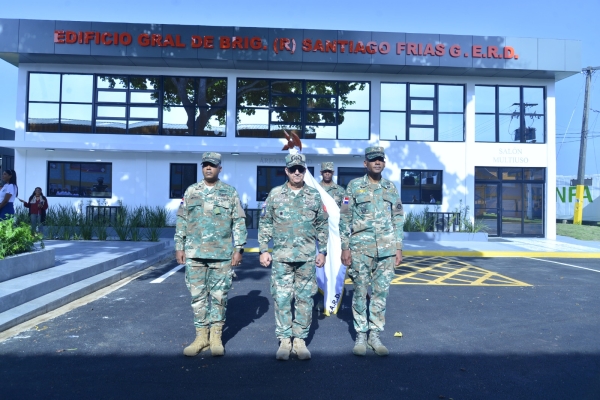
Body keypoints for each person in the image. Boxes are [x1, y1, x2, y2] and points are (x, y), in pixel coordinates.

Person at [175, 152, 247, 358]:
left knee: (219, 297)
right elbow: (182, 221)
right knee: (197, 297)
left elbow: (239, 222)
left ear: (219, 169)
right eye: (205, 165)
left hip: (221, 255)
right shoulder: (191, 191)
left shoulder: (229, 192)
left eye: (212, 165)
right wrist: (179, 246)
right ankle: (201, 337)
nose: (208, 168)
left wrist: (239, 248)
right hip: (195, 254)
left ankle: (216, 337)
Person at [258, 153, 329, 361]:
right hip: (281, 258)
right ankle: (284, 340)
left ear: (305, 172)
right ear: (287, 171)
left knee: (305, 299)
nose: (297, 172)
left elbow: (322, 225)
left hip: (306, 258)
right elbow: (265, 223)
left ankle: (299, 340)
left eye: (300, 169)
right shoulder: (275, 194)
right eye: (293, 169)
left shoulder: (314, 196)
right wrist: (263, 249)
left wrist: (322, 251)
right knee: (281, 299)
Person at [340, 146, 404, 357]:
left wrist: (398, 248)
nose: (377, 162)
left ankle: (374, 334)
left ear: (384, 163)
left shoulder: (390, 188)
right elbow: (345, 218)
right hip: (360, 249)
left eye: (380, 159)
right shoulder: (354, 186)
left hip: (386, 249)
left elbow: (397, 218)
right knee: (359, 292)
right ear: (365, 163)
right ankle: (360, 334)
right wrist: (345, 247)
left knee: (380, 294)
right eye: (373, 159)